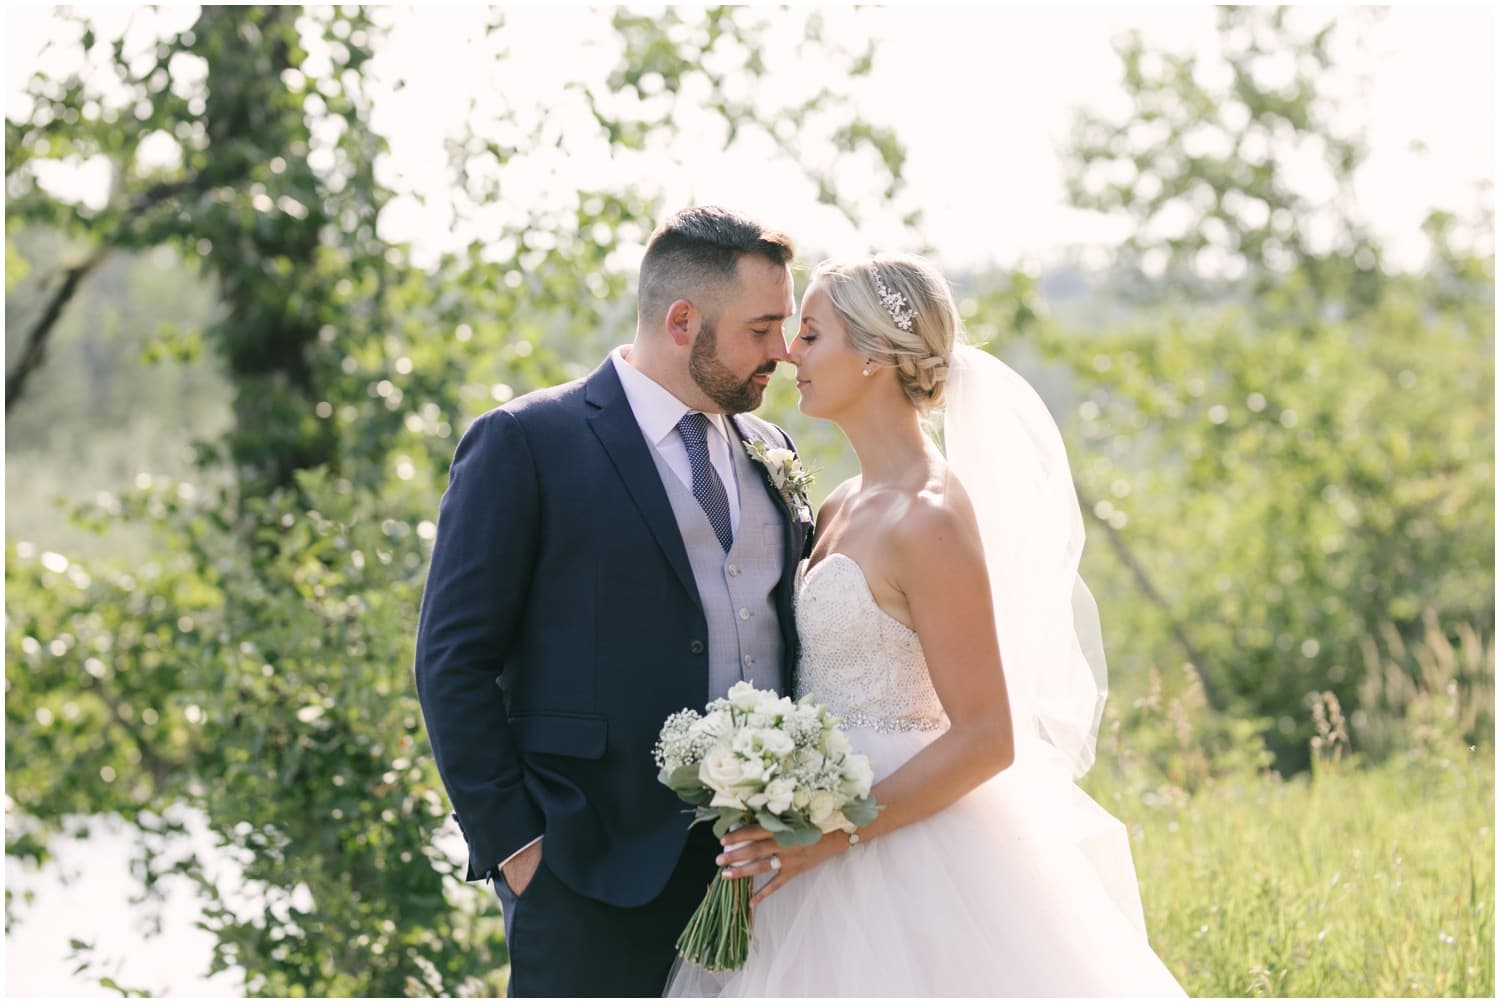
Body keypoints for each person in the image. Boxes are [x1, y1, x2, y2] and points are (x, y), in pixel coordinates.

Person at [669, 254, 1186, 996]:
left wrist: (832, 833)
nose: (788, 354)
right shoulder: (845, 499)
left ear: (875, 355)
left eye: (811, 336)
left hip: (903, 846)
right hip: (807, 831)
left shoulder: (930, 516)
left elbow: (986, 736)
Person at [414, 206, 814, 997]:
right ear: (682, 320)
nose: (784, 351)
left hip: (762, 872)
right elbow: (451, 658)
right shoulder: (527, 441)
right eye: (762, 327)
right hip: (587, 865)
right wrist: (519, 847)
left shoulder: (773, 450)